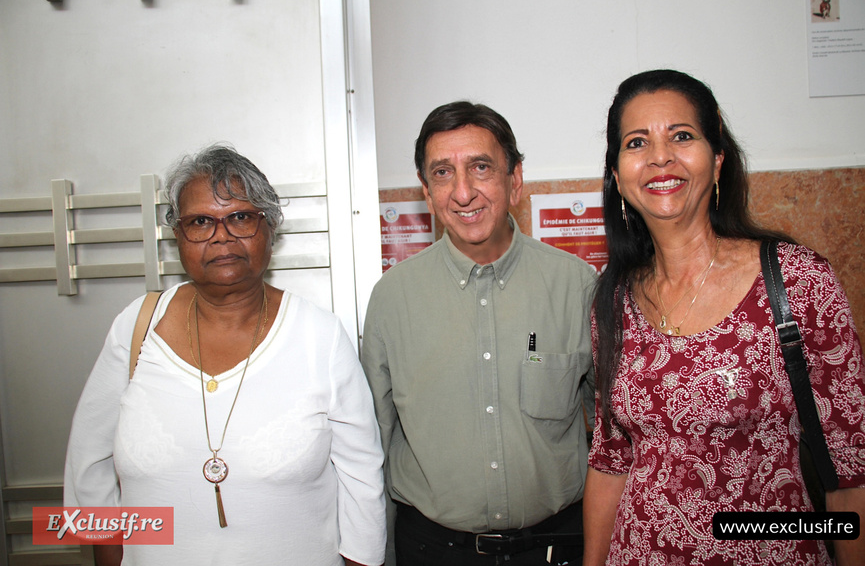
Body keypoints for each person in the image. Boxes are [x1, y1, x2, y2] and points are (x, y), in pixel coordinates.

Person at [584, 69, 865, 565]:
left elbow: (850, 467)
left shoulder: (796, 282)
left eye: (682, 136)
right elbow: (611, 460)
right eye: (636, 142)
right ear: (616, 174)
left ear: (717, 161)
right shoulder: (613, 300)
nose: (660, 156)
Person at [64, 144, 386, 566]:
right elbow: (88, 463)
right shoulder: (136, 327)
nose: (221, 235)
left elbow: (362, 478)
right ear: (177, 236)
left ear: (269, 227)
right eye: (200, 221)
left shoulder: (319, 336)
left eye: (240, 217)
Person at [362, 101, 596, 565]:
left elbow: (613, 435)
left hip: (557, 548)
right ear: (426, 192)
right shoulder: (391, 299)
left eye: (481, 167)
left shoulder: (579, 287)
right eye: (443, 173)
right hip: (433, 551)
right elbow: (375, 444)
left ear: (515, 179)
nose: (463, 192)